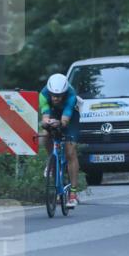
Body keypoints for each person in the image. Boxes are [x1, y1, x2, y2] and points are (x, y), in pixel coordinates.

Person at [39, 73, 81, 207]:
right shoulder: (43, 94)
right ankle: (51, 160)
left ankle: (73, 193)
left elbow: (66, 119)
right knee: (45, 135)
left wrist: (61, 123)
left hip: (70, 116)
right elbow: (45, 115)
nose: (55, 98)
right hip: (53, 113)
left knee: (70, 152)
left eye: (58, 96)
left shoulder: (71, 95)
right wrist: (47, 123)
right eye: (53, 95)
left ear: (65, 92)